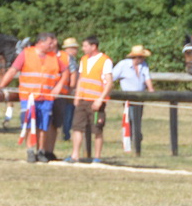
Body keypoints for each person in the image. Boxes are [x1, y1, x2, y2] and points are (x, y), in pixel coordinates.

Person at [0, 32, 68, 162]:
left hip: (46, 98)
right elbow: (13, 70)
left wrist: (59, 86)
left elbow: (65, 72)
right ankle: (30, 151)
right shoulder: (26, 54)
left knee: (44, 125)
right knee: (29, 124)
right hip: (29, 97)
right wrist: (1, 85)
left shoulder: (54, 57)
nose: (52, 45)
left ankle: (41, 151)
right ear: (41, 42)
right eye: (50, 43)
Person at [68, 35, 114, 163]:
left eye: (85, 46)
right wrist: (77, 96)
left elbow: (109, 83)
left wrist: (100, 100)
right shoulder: (83, 60)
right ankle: (75, 155)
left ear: (93, 47)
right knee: (77, 127)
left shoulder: (105, 61)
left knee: (97, 129)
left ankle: (97, 157)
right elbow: (81, 79)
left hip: (96, 101)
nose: (83, 48)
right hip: (83, 99)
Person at [112, 46, 154, 150]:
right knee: (130, 118)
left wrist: (151, 90)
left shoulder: (144, 65)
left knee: (138, 118)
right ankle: (131, 139)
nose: (143, 59)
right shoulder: (123, 65)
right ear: (136, 57)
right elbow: (112, 77)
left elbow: (147, 78)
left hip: (140, 97)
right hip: (128, 98)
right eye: (142, 57)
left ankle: (135, 137)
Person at [54, 37, 81, 142]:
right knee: (68, 113)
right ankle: (66, 134)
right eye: (75, 48)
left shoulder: (58, 56)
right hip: (67, 90)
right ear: (69, 49)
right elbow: (73, 73)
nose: (76, 51)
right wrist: (72, 87)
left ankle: (63, 133)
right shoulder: (69, 58)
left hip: (57, 89)